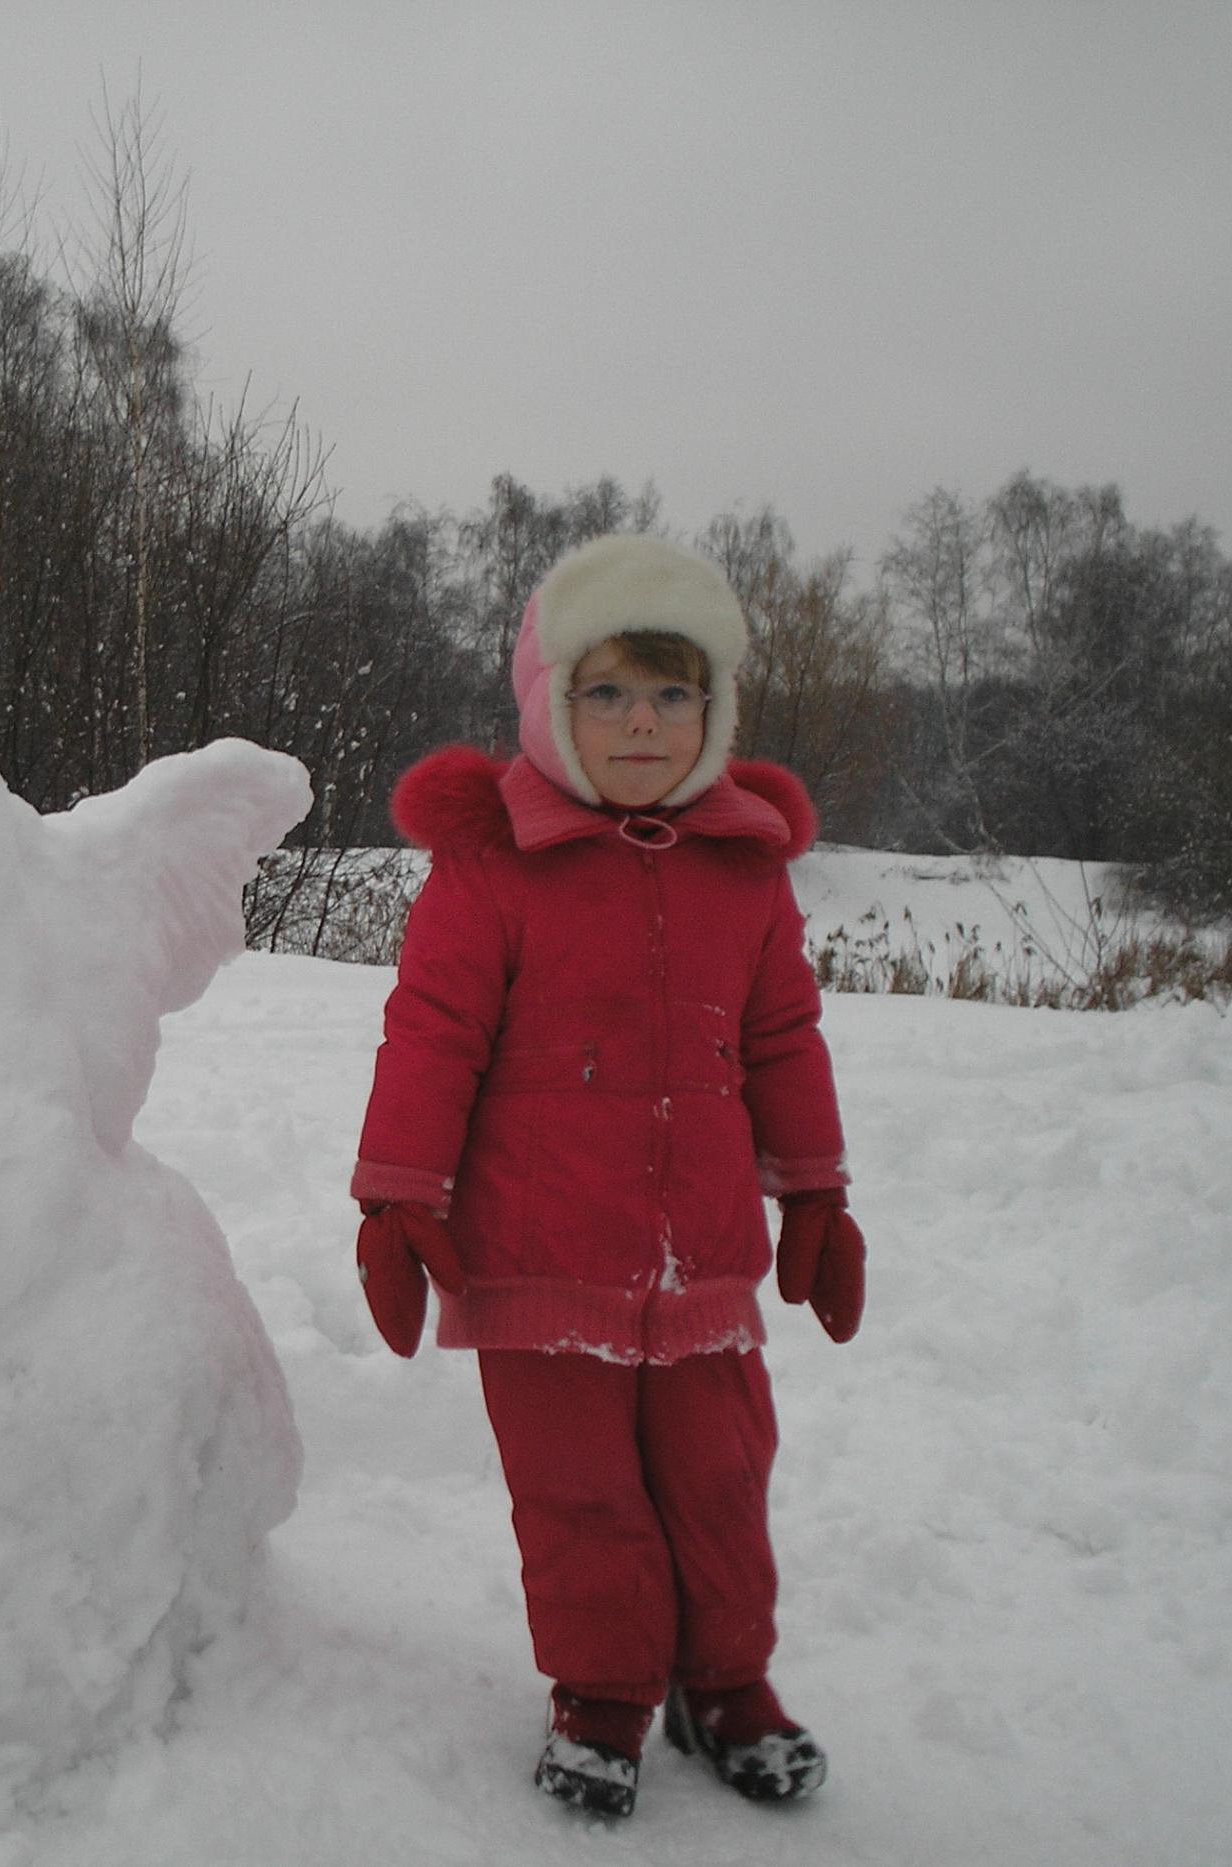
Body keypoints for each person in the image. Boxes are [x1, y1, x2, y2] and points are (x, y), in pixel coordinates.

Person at [350, 533, 867, 1821]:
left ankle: (727, 1679)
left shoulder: (746, 867)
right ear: (551, 704)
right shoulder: (497, 863)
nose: (643, 722)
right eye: (609, 693)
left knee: (721, 1469)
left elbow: (783, 1034)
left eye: (672, 695)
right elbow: (432, 1028)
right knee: (579, 1489)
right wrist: (397, 1194)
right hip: (536, 1254)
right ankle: (603, 1690)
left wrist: (814, 1188)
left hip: (702, 1260)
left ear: (716, 709)